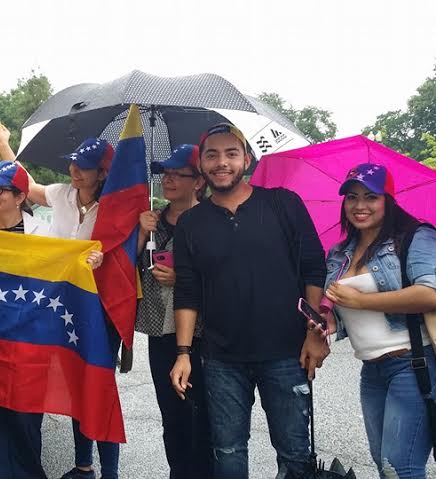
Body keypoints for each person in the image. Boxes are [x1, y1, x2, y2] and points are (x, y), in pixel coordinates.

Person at [169, 123, 329, 479]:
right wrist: (182, 353)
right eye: (212, 154)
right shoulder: (191, 223)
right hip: (222, 357)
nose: (221, 162)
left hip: (287, 352)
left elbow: (314, 269)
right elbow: (188, 291)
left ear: (247, 159)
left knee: (295, 454)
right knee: (227, 452)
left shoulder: (283, 204)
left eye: (231, 153)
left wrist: (313, 331)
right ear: (202, 164)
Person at [0, 124, 115, 479]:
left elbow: (127, 252)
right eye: (73, 163)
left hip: (99, 310)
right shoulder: (63, 194)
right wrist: (5, 146)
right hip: (60, 308)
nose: (74, 171)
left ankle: (111, 473)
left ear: (103, 172)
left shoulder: (116, 207)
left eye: (85, 166)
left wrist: (104, 255)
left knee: (100, 390)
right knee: (76, 387)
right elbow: (24, 185)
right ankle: (83, 466)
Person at [322, 163, 436, 479]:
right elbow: (344, 307)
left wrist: (362, 301)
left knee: (400, 465)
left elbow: (430, 293)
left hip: (413, 364)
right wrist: (331, 321)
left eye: (371, 197)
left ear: (388, 199)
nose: (360, 206)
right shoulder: (340, 252)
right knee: (382, 462)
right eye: (352, 197)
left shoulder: (415, 237)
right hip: (372, 370)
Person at [0, 160, 51, 479]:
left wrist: (88, 260)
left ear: (19, 197)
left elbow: (63, 273)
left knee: (24, 418)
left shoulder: (45, 234)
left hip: (29, 342)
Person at [135, 144, 212, 478]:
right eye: (164, 174)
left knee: (205, 414)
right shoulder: (153, 221)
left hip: (204, 333)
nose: (167, 180)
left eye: (177, 174)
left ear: (198, 181)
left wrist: (183, 279)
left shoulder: (212, 221)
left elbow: (229, 278)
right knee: (172, 413)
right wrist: (140, 232)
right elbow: (126, 268)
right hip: (160, 331)